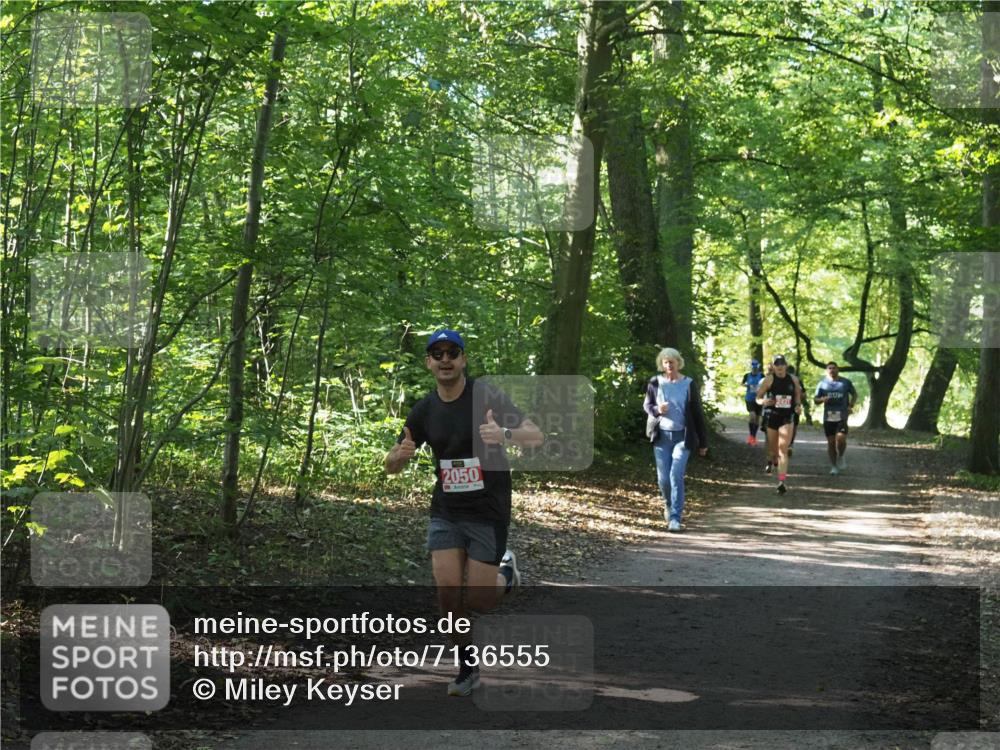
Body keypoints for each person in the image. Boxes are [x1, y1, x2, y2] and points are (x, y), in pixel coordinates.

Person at [385, 329, 543, 696]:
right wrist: (398, 457)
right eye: (436, 353)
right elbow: (391, 463)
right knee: (447, 594)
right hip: (446, 510)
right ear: (428, 362)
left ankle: (507, 571)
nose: (444, 359)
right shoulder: (424, 409)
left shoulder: (486, 396)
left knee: (480, 601)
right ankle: (467, 668)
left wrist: (503, 434)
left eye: (451, 352)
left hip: (487, 509)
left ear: (463, 359)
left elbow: (535, 436)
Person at [643, 347, 708, 532]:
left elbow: (697, 413)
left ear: (678, 362)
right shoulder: (655, 382)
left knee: (675, 475)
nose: (669, 365)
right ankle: (668, 503)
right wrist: (657, 410)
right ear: (661, 364)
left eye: (672, 361)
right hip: (662, 436)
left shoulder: (688, 383)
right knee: (663, 480)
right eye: (665, 362)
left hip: (683, 437)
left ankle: (675, 518)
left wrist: (703, 442)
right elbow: (647, 405)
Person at [756, 355, 802, 494]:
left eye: (782, 363)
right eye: (777, 364)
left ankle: (782, 481)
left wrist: (798, 406)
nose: (780, 366)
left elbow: (797, 398)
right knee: (774, 451)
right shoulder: (769, 380)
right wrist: (764, 402)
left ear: (786, 365)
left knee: (783, 448)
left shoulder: (793, 380)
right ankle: (774, 461)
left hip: (787, 416)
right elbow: (758, 398)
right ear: (774, 366)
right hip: (772, 416)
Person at [814, 361, 857, 475]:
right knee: (831, 442)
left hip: (842, 415)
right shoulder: (822, 384)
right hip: (828, 416)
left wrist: (850, 405)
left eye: (834, 368)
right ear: (827, 370)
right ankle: (833, 466)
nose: (832, 370)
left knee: (841, 438)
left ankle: (841, 455)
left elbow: (855, 394)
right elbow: (815, 400)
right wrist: (822, 400)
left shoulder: (845, 382)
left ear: (838, 369)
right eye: (829, 368)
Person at [740, 359, 764, 446]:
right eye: (753, 368)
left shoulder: (761, 376)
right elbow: (742, 383)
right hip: (749, 399)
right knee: (752, 416)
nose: (754, 370)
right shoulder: (747, 375)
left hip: (759, 399)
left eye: (756, 368)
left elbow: (766, 385)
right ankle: (751, 436)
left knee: (757, 419)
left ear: (758, 368)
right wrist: (747, 385)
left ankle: (753, 437)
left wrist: (760, 388)